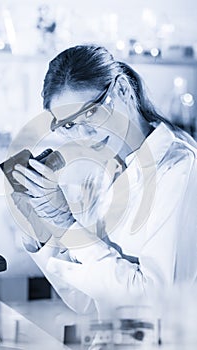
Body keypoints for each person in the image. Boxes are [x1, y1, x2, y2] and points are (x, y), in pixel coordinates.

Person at [12, 45, 197, 320]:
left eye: (90, 113)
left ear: (122, 89)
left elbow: (155, 304)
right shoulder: (103, 174)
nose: (84, 134)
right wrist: (44, 231)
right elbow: (86, 301)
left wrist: (69, 225)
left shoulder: (180, 167)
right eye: (69, 126)